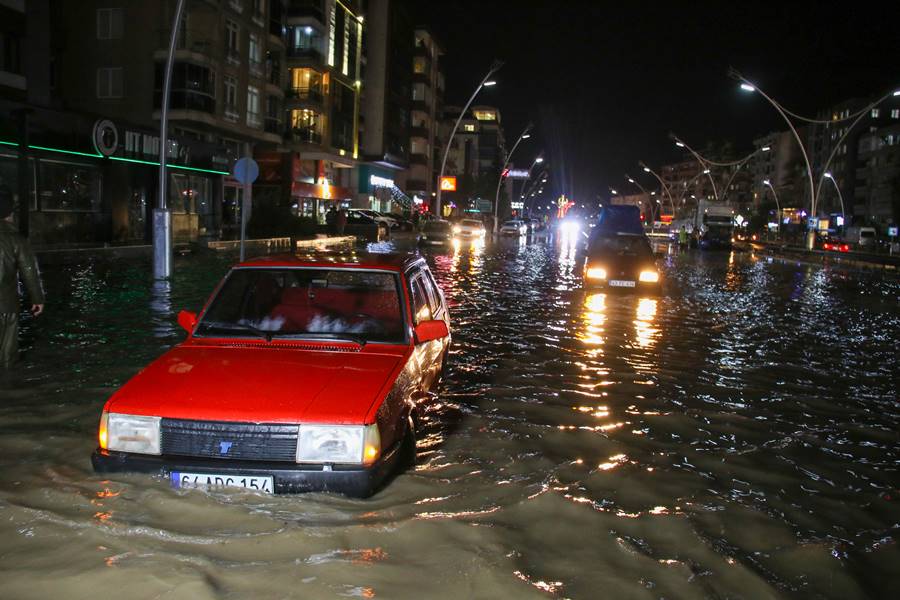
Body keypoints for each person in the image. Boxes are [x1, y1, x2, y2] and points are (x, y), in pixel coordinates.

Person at [0, 187, 45, 368]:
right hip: (6, 305)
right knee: (7, 356)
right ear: (10, 214)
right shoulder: (16, 239)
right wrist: (37, 299)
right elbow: (29, 270)